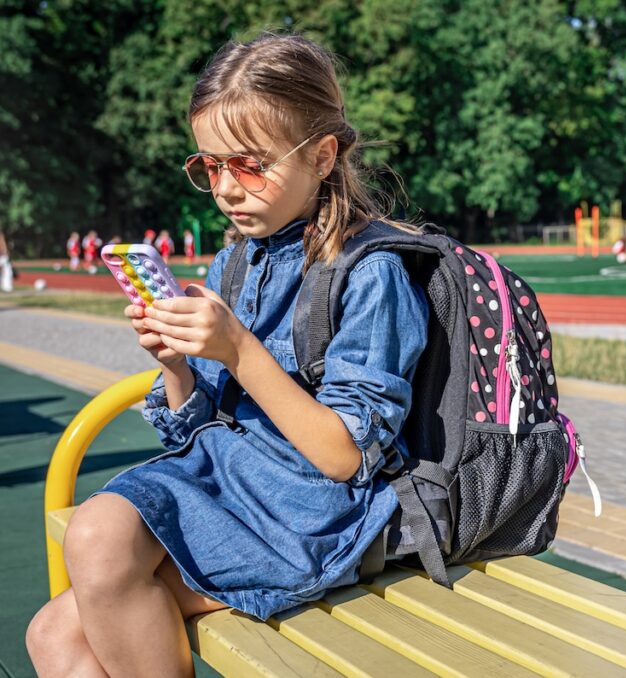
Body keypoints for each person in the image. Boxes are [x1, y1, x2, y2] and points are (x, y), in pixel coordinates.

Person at [26, 33, 430, 677]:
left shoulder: (369, 274)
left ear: (323, 156)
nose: (226, 188)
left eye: (249, 164)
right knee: (52, 634)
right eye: (210, 167)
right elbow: (200, 426)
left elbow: (344, 456)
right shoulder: (234, 262)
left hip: (310, 515)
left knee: (96, 546)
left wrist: (238, 348)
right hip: (230, 485)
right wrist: (176, 364)